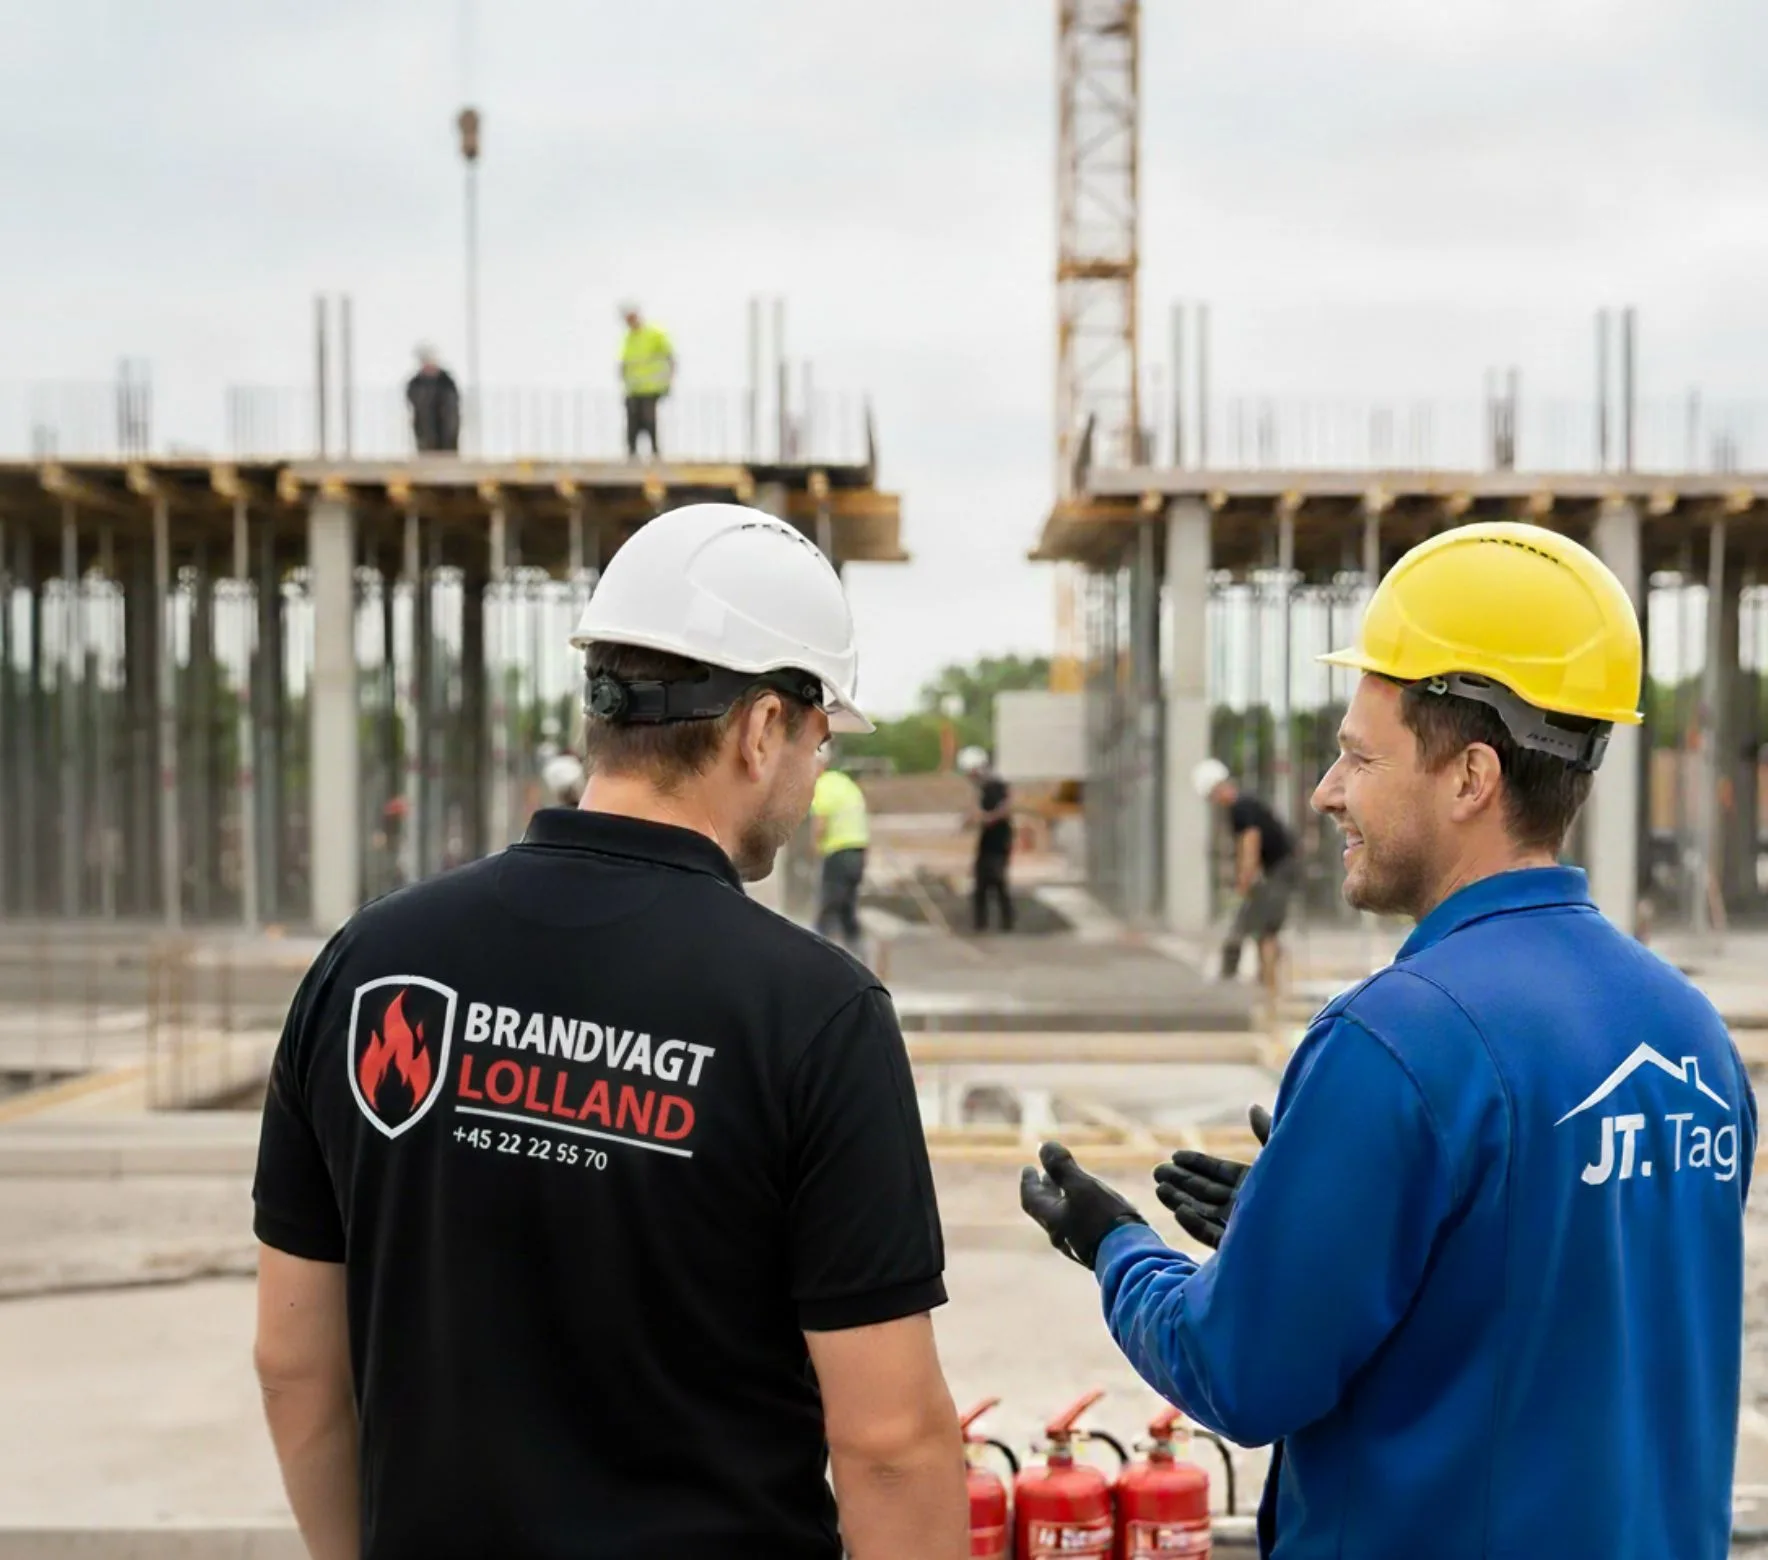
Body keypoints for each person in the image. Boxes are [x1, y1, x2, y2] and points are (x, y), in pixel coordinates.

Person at [1020, 521, 1754, 1559]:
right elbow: (1551, 1305)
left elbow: (1239, 1373)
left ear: (1470, 779)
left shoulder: (1399, 1038)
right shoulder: (1690, 1036)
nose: (1327, 791)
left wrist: (1115, 1247)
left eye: (1359, 757)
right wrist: (1316, 1235)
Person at [252, 502, 968, 1560]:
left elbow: (294, 1367)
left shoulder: (369, 965)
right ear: (762, 727)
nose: (816, 778)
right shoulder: (814, 1014)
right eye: (819, 741)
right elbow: (891, 1444)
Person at [1192, 758, 1296, 1002]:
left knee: (1266, 930)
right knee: (1260, 927)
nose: (1214, 801)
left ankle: (1272, 990)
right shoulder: (1244, 805)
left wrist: (1244, 880)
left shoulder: (1240, 807)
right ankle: (1267, 985)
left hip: (1279, 870)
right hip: (1277, 870)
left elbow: (1250, 843)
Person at [811, 749, 869, 954]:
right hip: (859, 850)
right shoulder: (844, 782)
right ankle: (859, 956)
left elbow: (820, 823)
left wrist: (815, 848)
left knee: (829, 907)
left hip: (838, 851)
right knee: (847, 908)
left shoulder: (822, 785)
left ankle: (816, 954)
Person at [960, 748, 1014, 933]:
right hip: (987, 839)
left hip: (1000, 839)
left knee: (997, 880)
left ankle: (1007, 922)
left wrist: (985, 818)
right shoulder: (981, 788)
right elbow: (974, 813)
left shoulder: (996, 785)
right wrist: (971, 820)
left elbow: (1005, 809)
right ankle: (980, 923)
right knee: (980, 883)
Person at [618, 302, 674, 459]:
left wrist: (669, 380)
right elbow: (624, 362)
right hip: (633, 388)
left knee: (649, 420)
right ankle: (632, 454)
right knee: (632, 421)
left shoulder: (654, 334)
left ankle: (655, 452)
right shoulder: (629, 338)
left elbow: (669, 357)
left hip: (652, 387)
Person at [405, 344, 461, 454]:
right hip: (425, 431)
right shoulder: (416, 383)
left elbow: (452, 405)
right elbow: (414, 399)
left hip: (446, 433)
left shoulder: (446, 382)